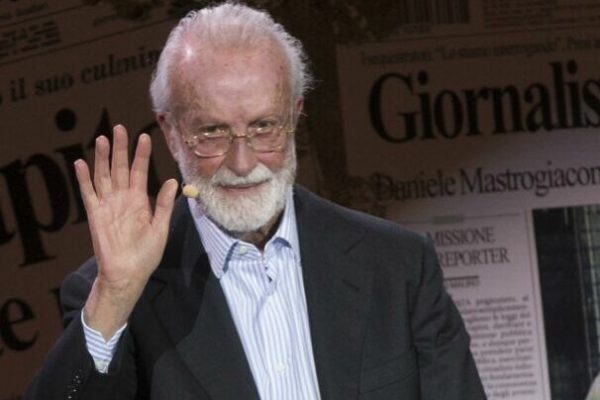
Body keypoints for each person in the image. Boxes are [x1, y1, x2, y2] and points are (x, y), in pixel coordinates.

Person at [26, 2, 486, 399]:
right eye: (213, 132)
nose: (243, 162)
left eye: (265, 127)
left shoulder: (398, 265)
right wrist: (116, 295)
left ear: (295, 114)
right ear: (170, 131)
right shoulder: (115, 292)